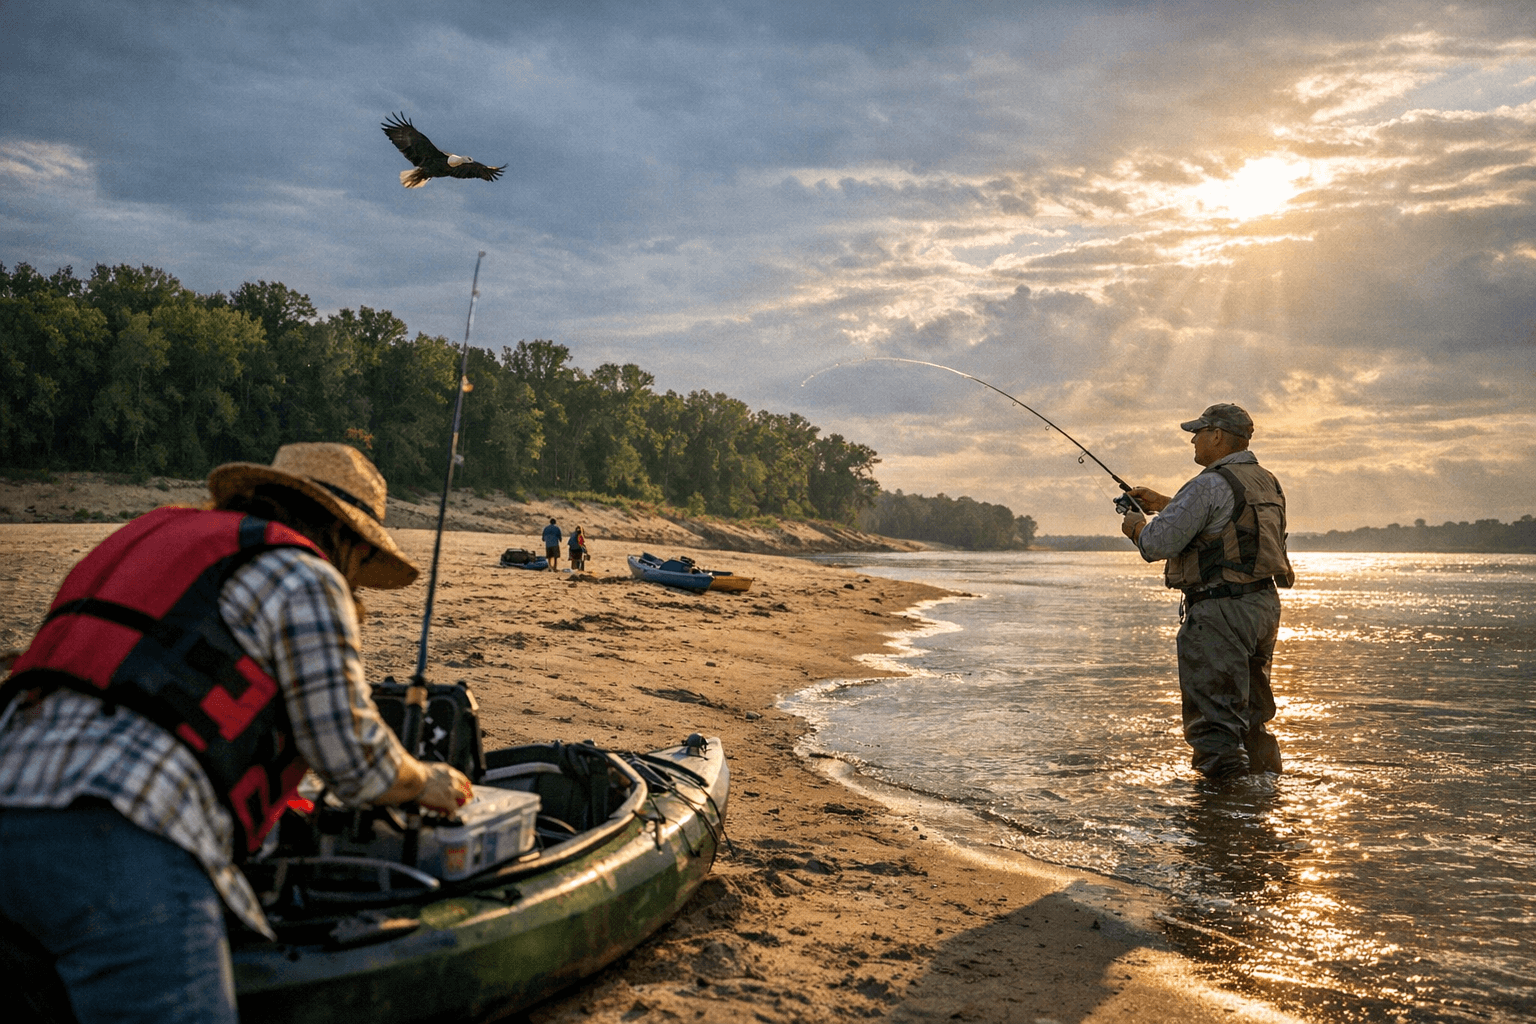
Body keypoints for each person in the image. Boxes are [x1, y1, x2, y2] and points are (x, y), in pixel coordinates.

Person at [0, 442, 473, 1023]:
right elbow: (356, 762)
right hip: (127, 836)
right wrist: (426, 780)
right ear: (346, 539)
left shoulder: (144, 542)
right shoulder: (305, 573)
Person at [1119, 404, 1295, 784]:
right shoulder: (1266, 481)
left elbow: (1155, 543)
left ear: (1217, 435)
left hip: (1221, 613)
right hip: (1262, 607)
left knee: (1214, 725)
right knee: (1251, 717)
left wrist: (1135, 525)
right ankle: (1265, 803)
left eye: (1198, 432)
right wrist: (1166, 504)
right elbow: (1229, 522)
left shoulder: (1208, 483)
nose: (1194, 440)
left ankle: (1222, 821)